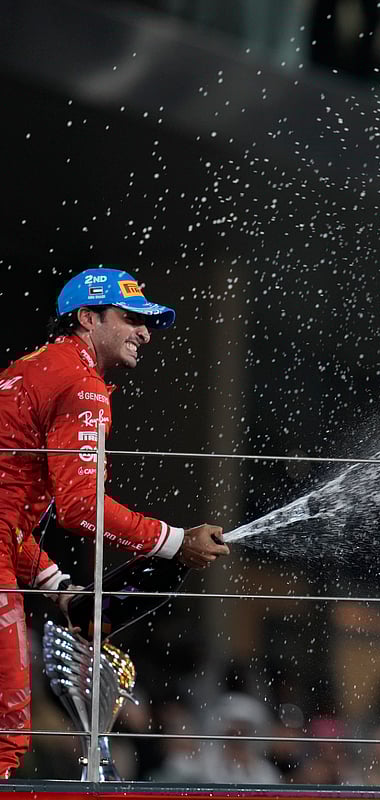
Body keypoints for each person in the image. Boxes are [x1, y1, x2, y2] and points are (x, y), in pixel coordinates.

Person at [0, 266, 230, 778]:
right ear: (87, 317)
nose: (145, 331)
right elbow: (82, 508)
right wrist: (174, 541)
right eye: (131, 318)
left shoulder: (33, 368)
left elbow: (6, 513)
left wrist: (53, 582)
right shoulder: (80, 382)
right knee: (7, 730)